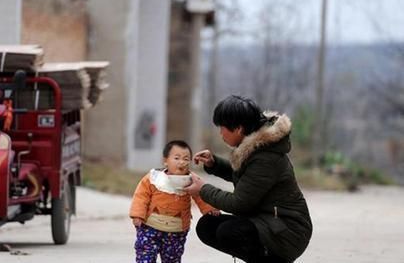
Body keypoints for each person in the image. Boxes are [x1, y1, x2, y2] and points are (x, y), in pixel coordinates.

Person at [184, 95, 313, 263]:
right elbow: (248, 180)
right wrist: (214, 163)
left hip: (287, 231)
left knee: (229, 231)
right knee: (208, 226)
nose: (220, 133)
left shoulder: (266, 157)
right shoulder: (255, 147)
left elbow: (239, 203)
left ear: (238, 128)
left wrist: (203, 189)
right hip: (267, 222)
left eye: (222, 127)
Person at [129, 140, 220, 263]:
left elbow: (201, 195)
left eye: (186, 159)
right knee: (145, 256)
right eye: (177, 158)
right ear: (165, 160)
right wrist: (137, 215)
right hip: (149, 227)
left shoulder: (191, 180)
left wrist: (210, 209)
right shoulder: (154, 178)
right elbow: (141, 196)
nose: (181, 162)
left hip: (176, 231)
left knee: (172, 258)